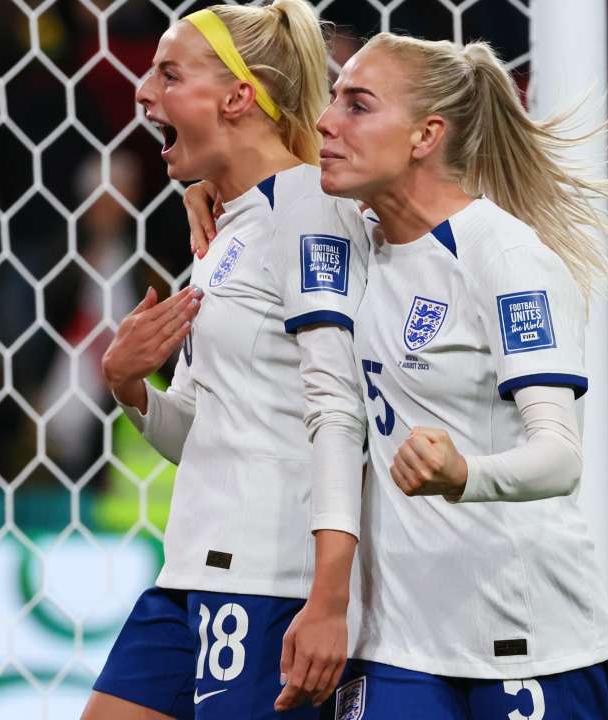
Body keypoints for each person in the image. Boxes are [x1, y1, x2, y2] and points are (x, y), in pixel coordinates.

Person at [186, 33, 608, 720]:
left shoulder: (505, 259)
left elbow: (561, 457)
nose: (326, 122)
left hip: (528, 637)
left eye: (358, 105)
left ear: (427, 135)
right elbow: (280, 185)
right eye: (333, 97)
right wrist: (221, 197)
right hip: (396, 644)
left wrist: (464, 473)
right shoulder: (353, 248)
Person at [82, 2, 371, 718]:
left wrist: (329, 597)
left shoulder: (309, 214)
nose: (144, 91)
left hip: (267, 580)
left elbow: (344, 414)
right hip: (193, 569)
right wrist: (129, 385)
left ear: (239, 97)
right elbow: (198, 433)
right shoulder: (227, 225)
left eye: (168, 73)